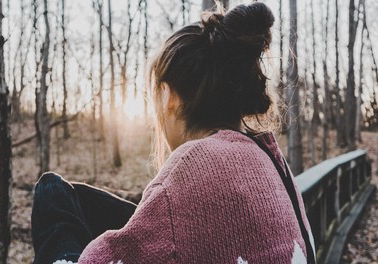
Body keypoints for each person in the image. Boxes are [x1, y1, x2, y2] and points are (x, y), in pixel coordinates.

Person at [31, 2, 316, 264]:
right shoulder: (268, 156)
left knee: (51, 192)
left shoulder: (195, 162)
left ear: (168, 97)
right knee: (78, 198)